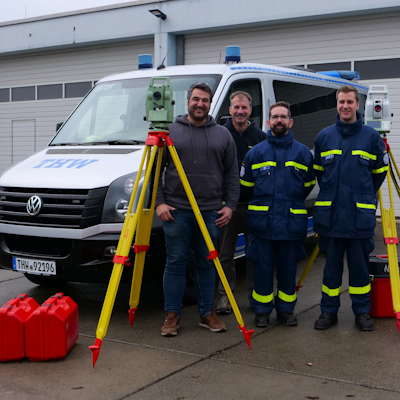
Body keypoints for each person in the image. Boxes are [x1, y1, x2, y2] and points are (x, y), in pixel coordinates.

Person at [155, 82, 239, 337]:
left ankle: (206, 313)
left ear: (210, 104)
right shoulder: (170, 131)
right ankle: (172, 315)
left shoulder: (223, 135)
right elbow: (154, 171)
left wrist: (230, 206)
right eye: (196, 99)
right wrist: (159, 202)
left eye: (205, 100)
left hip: (211, 211)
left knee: (207, 263)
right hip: (177, 211)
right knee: (176, 262)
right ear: (188, 101)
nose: (200, 104)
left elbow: (231, 174)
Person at [313, 85, 388, 331]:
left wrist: (360, 195)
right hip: (332, 217)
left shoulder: (372, 138)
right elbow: (320, 174)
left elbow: (379, 174)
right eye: (341, 102)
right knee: (331, 270)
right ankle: (328, 311)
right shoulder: (324, 137)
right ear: (337, 105)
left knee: (360, 270)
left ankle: (362, 313)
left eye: (349, 102)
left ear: (358, 105)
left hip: (359, 217)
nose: (345, 106)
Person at [240, 101, 315, 327]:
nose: (279, 120)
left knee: (288, 269)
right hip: (263, 224)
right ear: (268, 122)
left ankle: (286, 309)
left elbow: (308, 185)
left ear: (290, 122)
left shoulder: (303, 153)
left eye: (283, 117)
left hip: (291, 223)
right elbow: (246, 186)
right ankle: (262, 311)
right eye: (275, 117)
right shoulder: (255, 153)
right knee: (262, 269)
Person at [216, 91, 266, 315]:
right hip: (226, 206)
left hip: (253, 206)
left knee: (253, 253)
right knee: (225, 254)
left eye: (244, 107)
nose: (240, 111)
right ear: (230, 110)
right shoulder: (220, 134)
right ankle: (225, 296)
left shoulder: (260, 138)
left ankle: (254, 295)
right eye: (236, 107)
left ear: (250, 110)